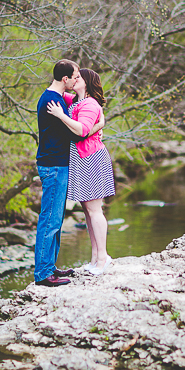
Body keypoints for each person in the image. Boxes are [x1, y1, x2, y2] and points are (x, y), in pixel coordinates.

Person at [47, 68, 115, 275]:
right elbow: (58, 90)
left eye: (79, 77)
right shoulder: (76, 101)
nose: (75, 80)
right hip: (81, 160)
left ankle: (103, 258)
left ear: (87, 82)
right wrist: (101, 122)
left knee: (95, 210)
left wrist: (60, 115)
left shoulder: (89, 104)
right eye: (74, 77)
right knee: (87, 211)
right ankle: (95, 258)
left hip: (92, 158)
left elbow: (82, 130)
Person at [34, 59, 81, 286]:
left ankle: (50, 266)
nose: (76, 80)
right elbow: (74, 133)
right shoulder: (52, 101)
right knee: (49, 220)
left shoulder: (56, 98)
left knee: (56, 220)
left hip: (56, 164)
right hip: (53, 166)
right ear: (65, 79)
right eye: (75, 77)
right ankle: (43, 274)